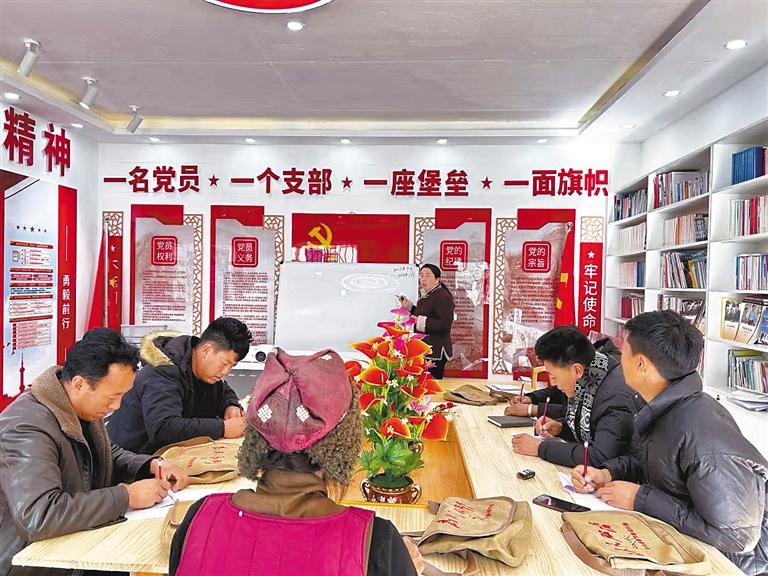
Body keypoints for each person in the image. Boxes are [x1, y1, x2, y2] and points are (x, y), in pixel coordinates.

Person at [169, 348, 417, 576]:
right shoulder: (376, 542)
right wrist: (404, 566)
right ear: (345, 440)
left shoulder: (199, 518)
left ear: (254, 432)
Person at [571, 310, 768, 576]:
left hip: (731, 565)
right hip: (675, 546)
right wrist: (608, 473)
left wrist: (640, 499)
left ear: (641, 364)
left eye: (623, 349)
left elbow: (736, 537)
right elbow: (655, 464)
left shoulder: (702, 433)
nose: (617, 356)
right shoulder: (660, 404)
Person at [0, 328, 189, 576]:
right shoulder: (26, 426)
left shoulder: (79, 405)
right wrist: (126, 497)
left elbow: (103, 454)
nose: (116, 406)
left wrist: (151, 465)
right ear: (79, 384)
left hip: (75, 545)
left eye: (122, 396)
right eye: (112, 397)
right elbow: (39, 516)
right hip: (29, 564)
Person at [108, 317, 250, 455]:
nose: (225, 372)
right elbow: (163, 428)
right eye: (224, 364)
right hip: (131, 460)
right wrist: (223, 428)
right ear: (206, 350)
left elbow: (223, 389)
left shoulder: (202, 369)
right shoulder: (162, 372)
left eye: (232, 366)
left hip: (170, 457)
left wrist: (230, 405)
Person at [510, 326, 642, 468]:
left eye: (554, 376)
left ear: (577, 370)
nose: (553, 383)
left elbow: (600, 457)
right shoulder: (593, 374)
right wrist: (562, 428)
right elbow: (594, 430)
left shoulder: (615, 397)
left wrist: (540, 448)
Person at [400, 263, 455, 379]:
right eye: (421, 275)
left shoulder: (442, 296)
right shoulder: (428, 295)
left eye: (428, 275)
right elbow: (425, 313)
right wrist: (409, 306)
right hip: (427, 348)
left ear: (437, 279)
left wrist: (420, 321)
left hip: (436, 350)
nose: (423, 279)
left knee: (431, 383)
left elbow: (445, 324)